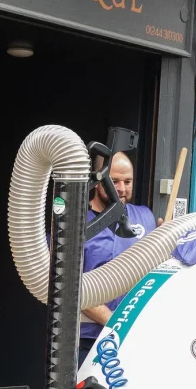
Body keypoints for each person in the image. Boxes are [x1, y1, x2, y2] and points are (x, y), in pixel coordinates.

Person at [79, 152, 156, 366]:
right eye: (114, 181)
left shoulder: (145, 217)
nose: (121, 189)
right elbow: (71, 285)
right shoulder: (77, 223)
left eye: (128, 181)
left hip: (137, 340)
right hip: (88, 342)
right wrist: (116, 324)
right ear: (98, 179)